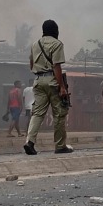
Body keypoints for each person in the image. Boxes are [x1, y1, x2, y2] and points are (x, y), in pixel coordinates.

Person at [24, 19, 72, 155]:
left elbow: (31, 64)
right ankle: (60, 145)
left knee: (37, 113)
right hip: (52, 80)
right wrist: (61, 87)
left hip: (38, 80)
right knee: (59, 114)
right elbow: (57, 66)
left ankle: (30, 142)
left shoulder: (35, 44)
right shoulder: (57, 44)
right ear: (55, 30)